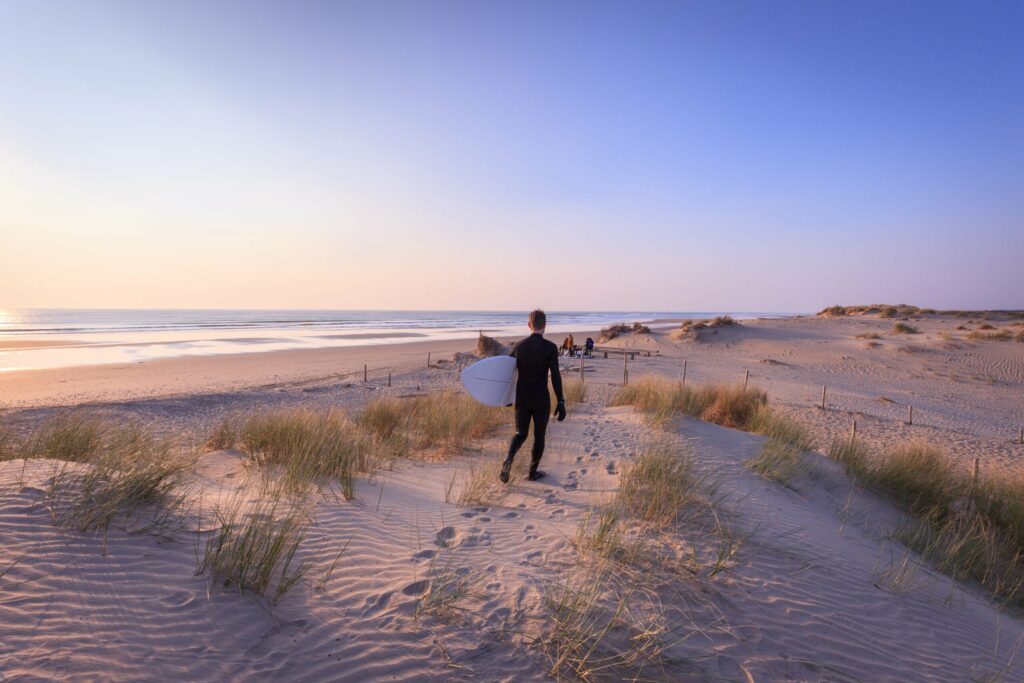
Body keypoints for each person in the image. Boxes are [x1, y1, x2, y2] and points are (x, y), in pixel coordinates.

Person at [500, 309, 566, 483]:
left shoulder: (519, 346)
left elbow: (507, 373)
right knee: (539, 435)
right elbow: (556, 376)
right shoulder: (550, 348)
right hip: (541, 398)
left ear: (529, 325)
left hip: (522, 397)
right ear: (545, 326)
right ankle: (532, 472)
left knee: (520, 433)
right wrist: (561, 401)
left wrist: (505, 396)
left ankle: (509, 457)